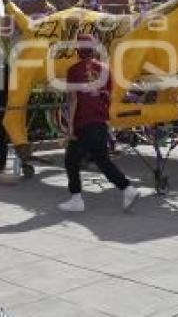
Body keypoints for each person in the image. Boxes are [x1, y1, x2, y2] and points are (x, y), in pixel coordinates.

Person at [59, 34, 138, 212]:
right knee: (102, 160)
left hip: (83, 122)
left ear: (78, 49)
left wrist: (70, 127)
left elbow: (73, 99)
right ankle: (127, 188)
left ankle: (76, 199)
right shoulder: (105, 69)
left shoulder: (74, 70)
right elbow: (108, 96)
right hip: (100, 121)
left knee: (71, 160)